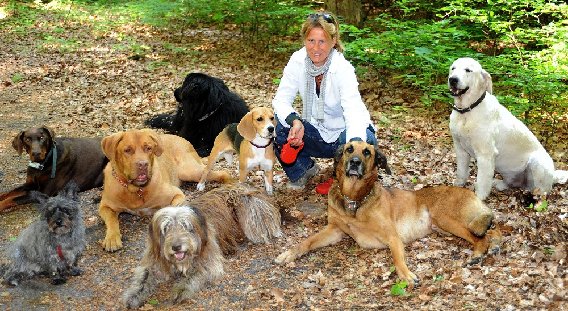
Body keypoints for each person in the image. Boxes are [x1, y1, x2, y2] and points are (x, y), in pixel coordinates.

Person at [272, 11, 378, 190]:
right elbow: (281, 100)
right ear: (304, 40)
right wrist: (295, 121)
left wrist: (353, 147)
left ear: (333, 41)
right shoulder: (297, 61)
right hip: (317, 132)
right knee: (277, 126)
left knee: (362, 141)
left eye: (322, 41)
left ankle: (343, 178)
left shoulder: (343, 69)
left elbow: (353, 112)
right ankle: (304, 171)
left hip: (344, 135)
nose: (316, 48)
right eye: (311, 41)